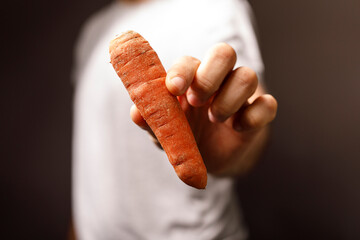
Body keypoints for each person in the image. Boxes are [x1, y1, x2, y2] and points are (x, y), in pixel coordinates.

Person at [72, 0, 277, 239]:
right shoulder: (94, 31)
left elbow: (250, 109)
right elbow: (88, 164)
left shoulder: (215, 6)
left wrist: (239, 143)